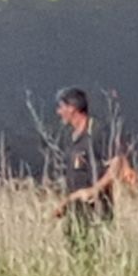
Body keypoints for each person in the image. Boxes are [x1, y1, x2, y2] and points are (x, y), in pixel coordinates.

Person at [51, 87, 124, 254]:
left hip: (96, 210)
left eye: (61, 107)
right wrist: (65, 204)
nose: (58, 112)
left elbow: (116, 162)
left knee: (95, 254)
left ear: (72, 108)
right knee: (74, 254)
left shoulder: (97, 131)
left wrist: (95, 190)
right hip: (75, 212)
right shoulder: (69, 136)